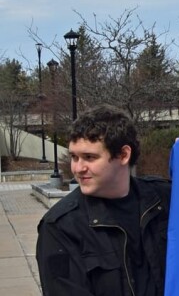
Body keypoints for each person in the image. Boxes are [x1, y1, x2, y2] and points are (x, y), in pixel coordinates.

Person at [36, 105, 171, 296]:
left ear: (123, 155)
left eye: (89, 157)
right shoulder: (59, 227)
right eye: (74, 157)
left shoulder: (164, 197)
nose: (78, 168)